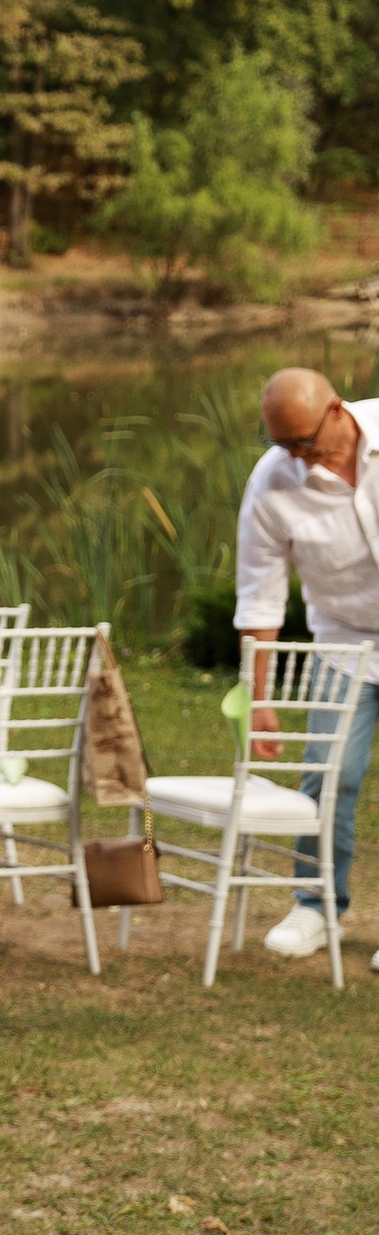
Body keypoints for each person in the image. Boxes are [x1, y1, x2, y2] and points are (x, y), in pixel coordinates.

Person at [235, 368, 379, 971]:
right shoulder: (271, 485)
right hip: (347, 643)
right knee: (327, 771)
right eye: (281, 443)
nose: (294, 455)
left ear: (338, 411)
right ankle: (316, 905)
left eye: (302, 441)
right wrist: (257, 697)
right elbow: (261, 598)